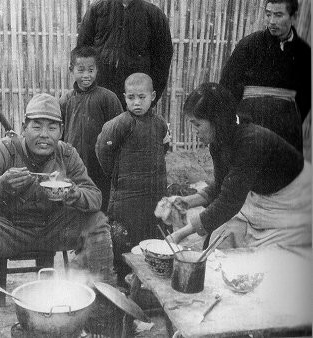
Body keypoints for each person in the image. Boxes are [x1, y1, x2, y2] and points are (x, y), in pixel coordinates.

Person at [0, 93, 115, 338]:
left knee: (97, 222)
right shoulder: (6, 150)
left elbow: (95, 196)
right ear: (23, 128)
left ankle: (95, 309)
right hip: (11, 228)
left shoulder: (67, 155)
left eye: (52, 127)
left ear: (61, 131)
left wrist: (74, 194)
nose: (44, 134)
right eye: (36, 126)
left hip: (54, 228)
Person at [156, 83, 311, 249]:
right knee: (220, 238)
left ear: (217, 121)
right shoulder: (217, 144)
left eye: (198, 124)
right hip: (262, 201)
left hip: (295, 203)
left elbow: (229, 201)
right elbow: (222, 186)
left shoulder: (250, 141)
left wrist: (179, 234)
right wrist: (185, 202)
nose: (195, 131)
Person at [96, 73, 170, 285]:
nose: (136, 103)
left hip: (154, 193)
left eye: (142, 97)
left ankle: (149, 282)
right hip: (126, 196)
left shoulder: (160, 124)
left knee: (154, 234)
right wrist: (116, 174)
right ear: (124, 98)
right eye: (130, 98)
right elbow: (102, 149)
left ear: (153, 96)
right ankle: (122, 280)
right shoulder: (119, 124)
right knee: (124, 237)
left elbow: (163, 149)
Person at [220, 0, 311, 153]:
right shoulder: (248, 45)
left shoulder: (303, 53)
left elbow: (306, 97)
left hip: (287, 130)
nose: (271, 21)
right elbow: (227, 85)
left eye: (278, 15)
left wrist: (291, 121)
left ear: (293, 17)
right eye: (268, 14)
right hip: (251, 125)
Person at [76, 0, 173, 110]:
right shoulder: (97, 10)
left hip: (135, 97)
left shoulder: (154, 15)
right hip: (100, 91)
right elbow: (82, 52)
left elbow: (162, 60)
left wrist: (149, 98)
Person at [60, 46, 123, 212]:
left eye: (91, 70)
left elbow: (119, 131)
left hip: (100, 165)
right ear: (71, 70)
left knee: (101, 202)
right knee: (74, 202)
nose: (86, 75)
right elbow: (58, 134)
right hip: (73, 164)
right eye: (80, 70)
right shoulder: (66, 100)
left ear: (97, 70)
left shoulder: (107, 98)